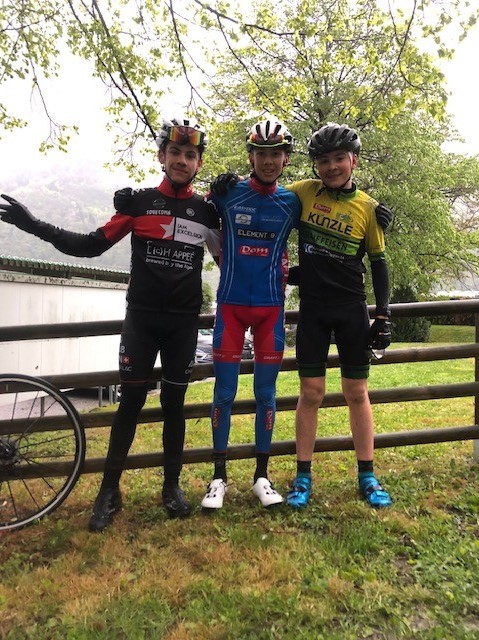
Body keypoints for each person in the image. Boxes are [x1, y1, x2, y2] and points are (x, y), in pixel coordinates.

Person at [0, 116, 221, 531]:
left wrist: (231, 195)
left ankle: (171, 487)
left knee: (173, 405)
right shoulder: (138, 204)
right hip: (141, 321)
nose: (182, 160)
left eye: (190, 154)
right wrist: (32, 224)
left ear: (199, 163)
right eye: (175, 152)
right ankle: (108, 491)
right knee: (130, 404)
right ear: (161, 156)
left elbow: (234, 255)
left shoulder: (208, 212)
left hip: (182, 325)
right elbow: (89, 246)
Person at [285, 122, 393, 509]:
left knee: (357, 392)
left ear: (354, 161)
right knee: (311, 393)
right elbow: (264, 194)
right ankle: (302, 476)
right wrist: (229, 187)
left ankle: (367, 475)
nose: (331, 167)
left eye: (338, 159)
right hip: (313, 309)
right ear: (316, 165)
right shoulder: (303, 192)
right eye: (323, 160)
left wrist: (383, 314)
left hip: (351, 309)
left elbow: (379, 264)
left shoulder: (368, 208)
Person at [200, 118, 302, 510]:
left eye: (276, 153)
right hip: (230, 306)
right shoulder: (229, 193)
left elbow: (332, 211)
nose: (269, 160)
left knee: (266, 394)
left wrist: (374, 214)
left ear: (286, 158)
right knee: (224, 393)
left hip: (270, 309)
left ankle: (262, 476)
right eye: (262, 153)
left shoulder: (292, 201)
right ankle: (218, 478)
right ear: (251, 156)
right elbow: (193, 211)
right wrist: (213, 189)